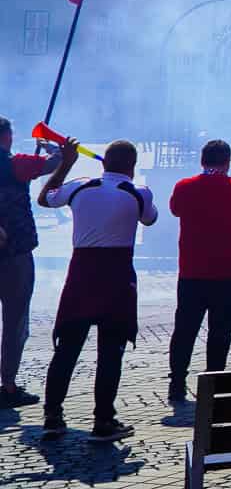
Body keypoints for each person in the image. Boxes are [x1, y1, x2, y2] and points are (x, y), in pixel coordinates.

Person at [37, 137, 156, 440]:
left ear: (104, 162)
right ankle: (103, 420)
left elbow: (45, 197)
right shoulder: (138, 192)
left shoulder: (79, 186)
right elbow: (150, 219)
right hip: (116, 276)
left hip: (82, 274)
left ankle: (52, 415)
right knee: (110, 352)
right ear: (132, 166)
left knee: (67, 348)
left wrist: (65, 164)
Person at [166, 139, 231, 403]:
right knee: (221, 331)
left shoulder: (184, 187)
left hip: (193, 271)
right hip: (230, 272)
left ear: (202, 160)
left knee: (184, 329)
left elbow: (175, 210)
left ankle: (177, 381)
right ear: (228, 161)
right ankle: (214, 380)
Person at [0, 115, 58, 409]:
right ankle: (7, 385)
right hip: (14, 254)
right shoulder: (15, 164)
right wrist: (49, 146)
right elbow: (55, 162)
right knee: (14, 321)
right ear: (7, 137)